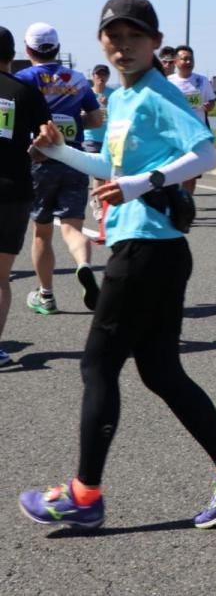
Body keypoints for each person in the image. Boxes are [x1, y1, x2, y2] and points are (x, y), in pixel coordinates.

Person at [19, 0, 216, 530]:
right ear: (101, 42)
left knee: (97, 365)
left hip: (147, 249)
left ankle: (84, 494)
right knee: (158, 369)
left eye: (134, 37)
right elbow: (109, 167)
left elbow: (204, 151)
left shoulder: (156, 92)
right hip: (151, 249)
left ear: (156, 43)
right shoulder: (124, 98)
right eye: (114, 36)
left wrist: (142, 183)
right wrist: (60, 151)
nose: (122, 45)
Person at [14, 22, 103, 315]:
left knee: (42, 232)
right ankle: (84, 265)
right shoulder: (77, 79)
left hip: (38, 159)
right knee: (72, 226)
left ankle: (46, 295)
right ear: (58, 48)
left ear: (27, 50)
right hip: (74, 157)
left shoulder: (24, 78)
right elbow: (95, 119)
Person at [0, 26, 52, 367]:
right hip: (12, 189)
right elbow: (49, 139)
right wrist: (30, 154)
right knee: (0, 277)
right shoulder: (25, 91)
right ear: (13, 53)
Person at [167, 45, 216, 195]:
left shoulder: (201, 81)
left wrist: (209, 106)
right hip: (175, 135)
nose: (188, 62)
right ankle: (173, 204)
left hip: (196, 136)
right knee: (173, 174)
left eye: (191, 59)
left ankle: (186, 206)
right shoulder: (168, 82)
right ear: (176, 62)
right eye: (184, 59)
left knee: (191, 175)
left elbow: (212, 101)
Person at [83, 63, 116, 220]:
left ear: (108, 77)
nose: (100, 77)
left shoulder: (113, 94)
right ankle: (97, 204)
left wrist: (109, 106)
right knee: (99, 173)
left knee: (110, 173)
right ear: (93, 76)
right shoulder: (87, 93)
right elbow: (79, 112)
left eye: (104, 74)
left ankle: (102, 201)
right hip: (90, 137)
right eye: (98, 74)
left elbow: (121, 113)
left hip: (109, 138)